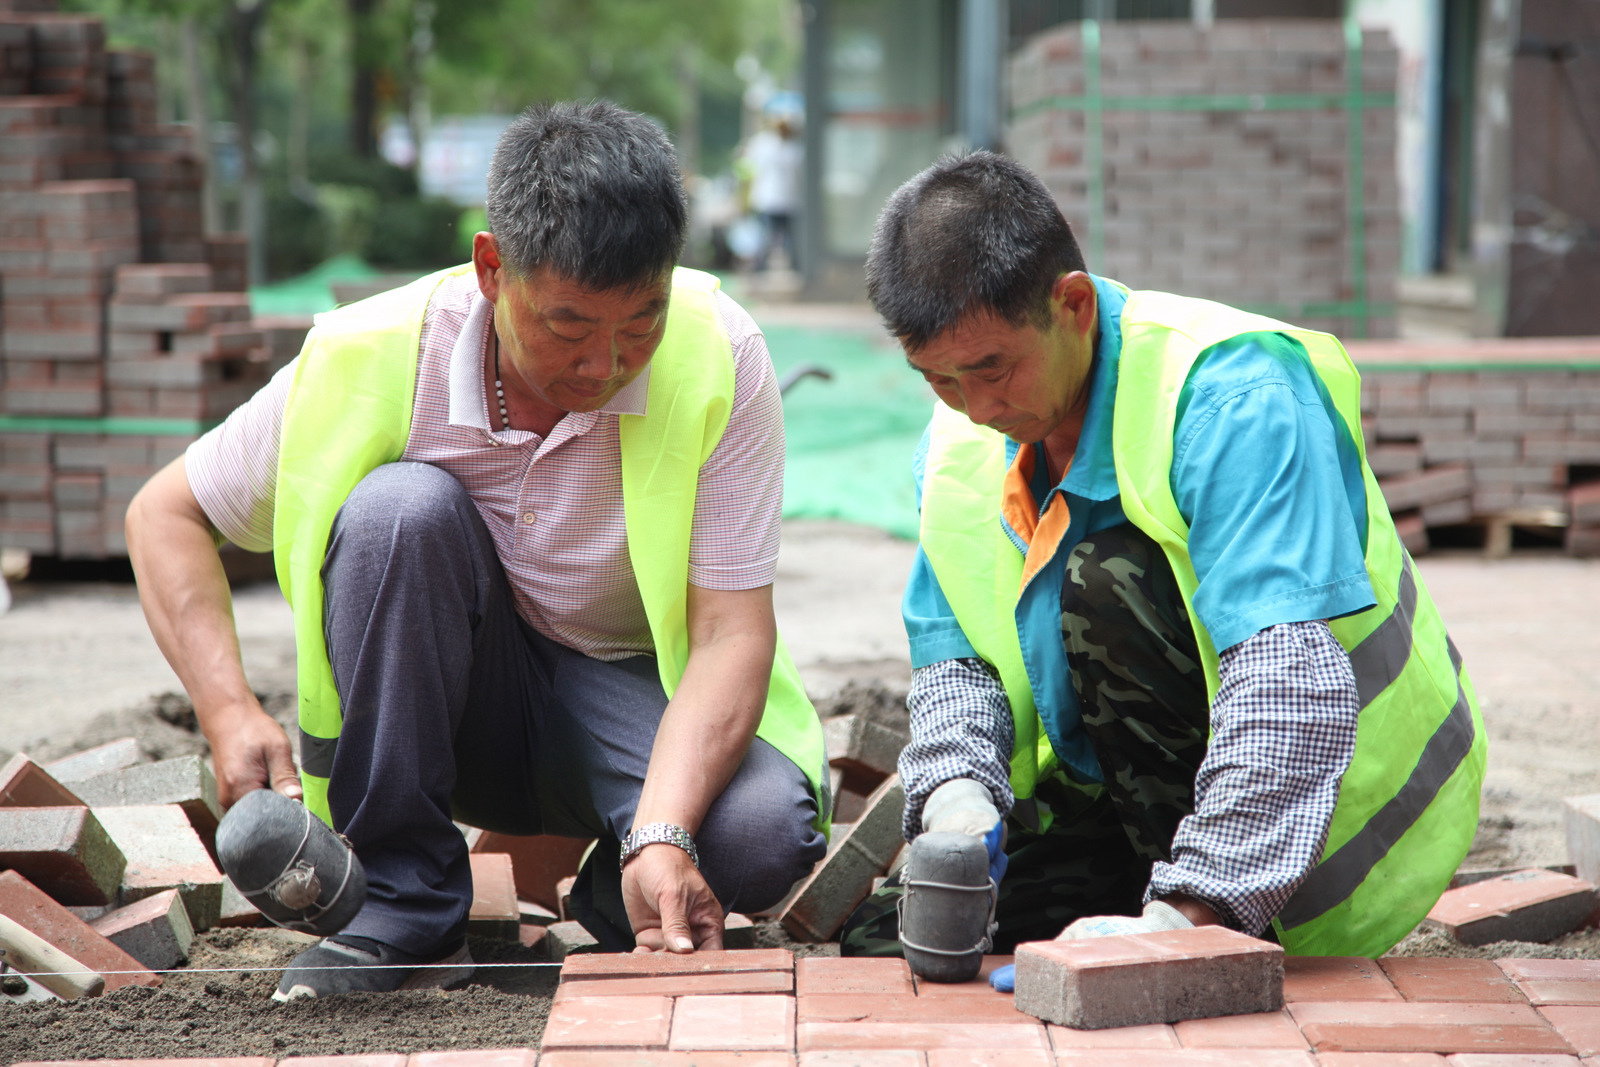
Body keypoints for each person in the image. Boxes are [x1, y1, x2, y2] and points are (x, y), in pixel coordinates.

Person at [125, 101, 830, 999]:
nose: (604, 363)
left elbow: (732, 632)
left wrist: (664, 830)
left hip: (622, 696)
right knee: (399, 514)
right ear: (493, 268)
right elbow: (162, 515)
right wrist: (227, 711)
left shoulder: (719, 354)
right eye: (569, 325)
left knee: (760, 835)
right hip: (447, 710)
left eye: (639, 324)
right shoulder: (367, 355)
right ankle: (403, 911)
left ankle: (622, 904)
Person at [839, 151, 1486, 969]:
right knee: (882, 943)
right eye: (937, 379)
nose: (976, 409)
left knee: (1104, 581)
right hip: (1141, 810)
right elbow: (958, 665)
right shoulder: (962, 444)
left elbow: (1288, 681)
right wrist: (956, 798)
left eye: (991, 369)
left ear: (1070, 303)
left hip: (1331, 843)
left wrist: (1189, 914)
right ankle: (1153, 891)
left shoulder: (1233, 394)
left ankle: (1202, 904)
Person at [743, 116, 803, 271]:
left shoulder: (794, 148)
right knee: (766, 238)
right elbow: (750, 170)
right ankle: (759, 269)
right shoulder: (764, 144)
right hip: (769, 199)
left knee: (789, 239)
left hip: (787, 200)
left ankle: (796, 268)